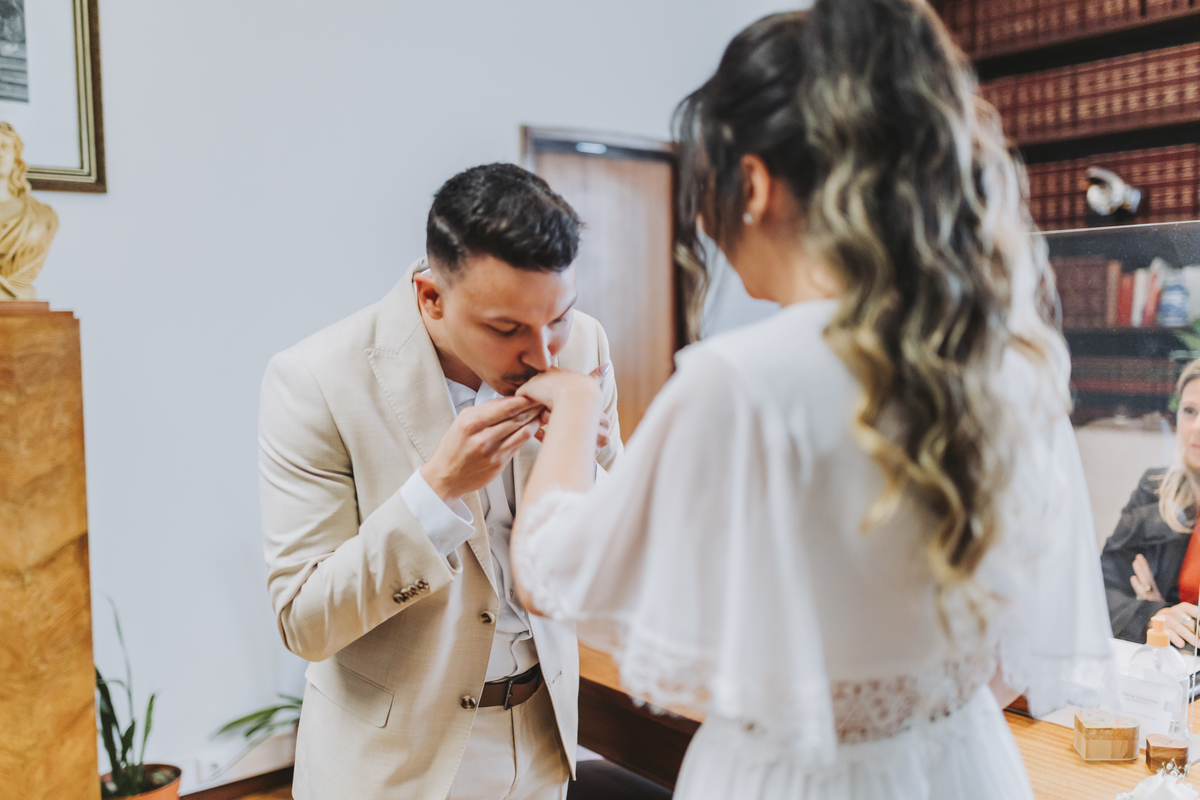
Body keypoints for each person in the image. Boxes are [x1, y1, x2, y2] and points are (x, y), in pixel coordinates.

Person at [506, 3, 1117, 799]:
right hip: (965, 761)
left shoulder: (742, 382)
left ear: (752, 184)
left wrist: (577, 413)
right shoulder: (1007, 361)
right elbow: (1011, 658)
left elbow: (554, 576)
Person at [258, 164, 622, 800]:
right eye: (507, 329)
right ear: (431, 297)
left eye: (557, 317)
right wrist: (435, 494)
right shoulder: (314, 380)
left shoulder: (585, 343)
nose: (543, 354)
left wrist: (590, 460)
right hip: (395, 765)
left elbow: (615, 530)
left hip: (543, 737)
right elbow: (304, 623)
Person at [1102, 359, 1200, 651]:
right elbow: (1101, 588)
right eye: (1189, 411)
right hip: (1167, 675)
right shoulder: (1155, 490)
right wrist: (1154, 614)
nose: (1196, 428)